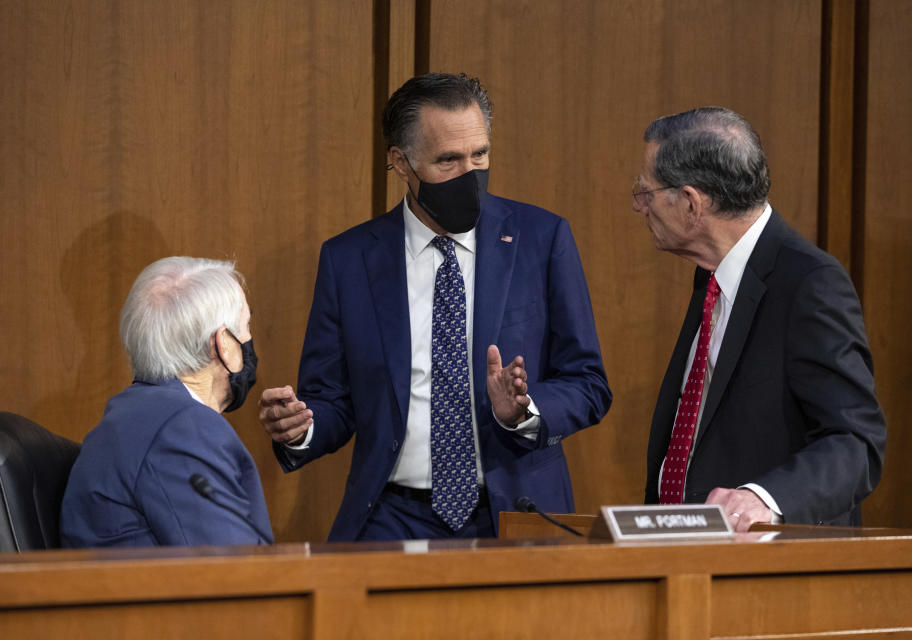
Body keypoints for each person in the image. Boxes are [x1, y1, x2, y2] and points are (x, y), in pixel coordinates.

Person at [260, 72, 611, 541]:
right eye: (448, 160)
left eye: (480, 155)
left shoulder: (541, 239)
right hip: (390, 518)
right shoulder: (349, 260)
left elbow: (588, 383)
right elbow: (332, 400)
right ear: (400, 162)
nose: (470, 173)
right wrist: (300, 427)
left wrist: (524, 412)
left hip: (515, 512)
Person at [634, 107, 886, 532]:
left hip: (770, 572)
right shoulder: (712, 273)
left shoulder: (809, 283)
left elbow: (856, 443)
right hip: (687, 555)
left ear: (692, 203)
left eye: (646, 193)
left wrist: (765, 499)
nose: (640, 207)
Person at [61, 257, 274, 547]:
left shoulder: (143, 414)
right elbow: (235, 571)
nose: (250, 340)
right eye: (246, 326)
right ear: (223, 343)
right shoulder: (181, 431)